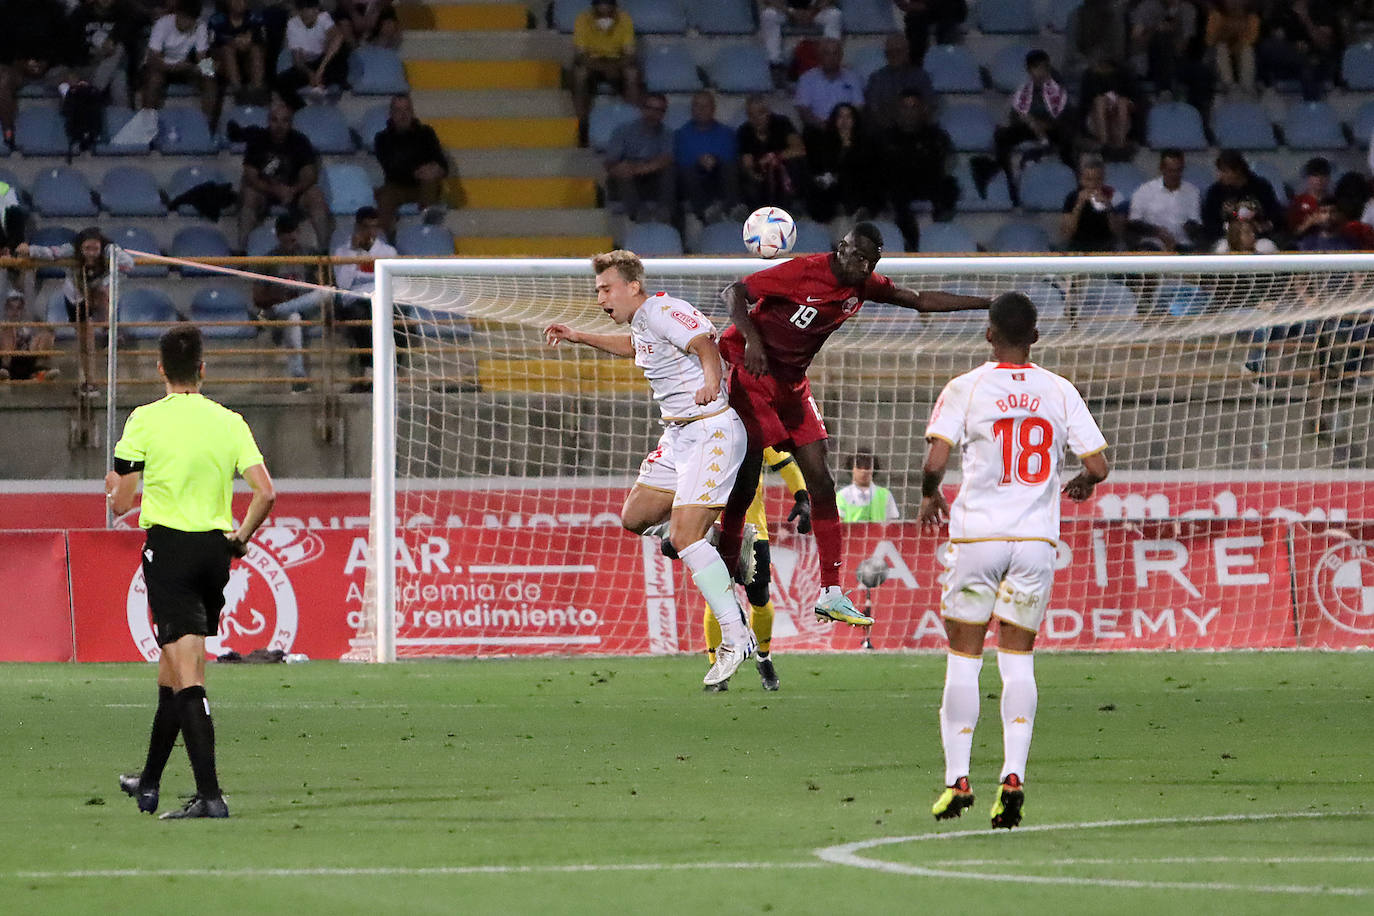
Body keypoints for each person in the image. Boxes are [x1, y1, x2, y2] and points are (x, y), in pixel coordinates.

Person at [715, 222, 989, 628]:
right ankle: (726, 552)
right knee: (750, 465)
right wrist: (753, 340)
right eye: (847, 250)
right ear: (839, 247)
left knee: (823, 483)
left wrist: (989, 302)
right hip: (751, 368)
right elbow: (734, 293)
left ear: (872, 262)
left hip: (792, 383)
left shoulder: (864, 285)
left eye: (863, 258)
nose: (852, 260)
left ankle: (830, 593)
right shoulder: (803, 270)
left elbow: (919, 300)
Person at [919, 291, 1109, 829]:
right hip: (1034, 543)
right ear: (1037, 337)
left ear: (987, 334)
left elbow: (936, 458)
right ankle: (1014, 774)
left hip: (979, 539)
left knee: (964, 657)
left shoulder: (966, 387)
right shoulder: (1059, 389)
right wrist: (1077, 483)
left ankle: (958, 779)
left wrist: (930, 493)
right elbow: (1097, 466)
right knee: (1018, 657)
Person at [545, 249, 757, 687]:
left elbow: (704, 344)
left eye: (606, 288)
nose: (600, 297)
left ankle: (736, 637)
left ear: (633, 286)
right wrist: (580, 336)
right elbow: (635, 348)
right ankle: (720, 540)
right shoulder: (643, 323)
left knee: (682, 536)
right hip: (678, 435)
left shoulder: (664, 309)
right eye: (598, 289)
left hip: (710, 430)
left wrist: (712, 382)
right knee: (635, 518)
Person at [109, 325, 274, 819]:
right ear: (203, 369)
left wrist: (112, 488)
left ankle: (210, 795)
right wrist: (240, 539)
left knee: (189, 676)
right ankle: (150, 781)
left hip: (171, 552)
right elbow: (265, 493)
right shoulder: (230, 421)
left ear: (160, 369)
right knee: (171, 672)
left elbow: (120, 501)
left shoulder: (143, 420)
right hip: (214, 553)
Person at [696, 446, 809, 693]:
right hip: (714, 529)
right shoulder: (705, 431)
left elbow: (785, 462)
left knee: (759, 599)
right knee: (715, 601)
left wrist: (802, 496)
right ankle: (717, 667)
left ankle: (764, 658)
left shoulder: (753, 429)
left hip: (753, 532)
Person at [18, 227, 133, 396]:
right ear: (80, 248)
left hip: (99, 291)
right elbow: (52, 253)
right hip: (77, 296)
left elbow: (129, 264)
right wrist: (30, 250)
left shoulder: (110, 251)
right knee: (86, 340)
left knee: (105, 294)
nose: (91, 254)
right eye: (87, 249)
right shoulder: (70, 249)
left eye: (95, 249)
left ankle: (110, 329)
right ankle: (90, 382)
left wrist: (108, 272)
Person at [237, 99, 331, 251]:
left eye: (284, 121)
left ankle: (324, 252)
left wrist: (292, 190)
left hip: (293, 192)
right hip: (264, 192)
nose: (279, 126)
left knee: (316, 195)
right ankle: (241, 252)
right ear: (268, 121)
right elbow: (250, 176)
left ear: (291, 123)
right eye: (275, 120)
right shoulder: (257, 141)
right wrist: (274, 190)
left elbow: (310, 174)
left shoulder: (300, 141)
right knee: (249, 194)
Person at [877, 91, 957, 251]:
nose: (909, 112)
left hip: (926, 182)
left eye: (914, 107)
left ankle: (938, 233)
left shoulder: (936, 136)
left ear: (922, 110)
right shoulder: (886, 137)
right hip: (898, 186)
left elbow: (942, 165)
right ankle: (910, 242)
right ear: (898, 110)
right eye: (905, 107)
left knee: (949, 186)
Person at [333, 206, 397, 392]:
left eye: (374, 227)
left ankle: (383, 373)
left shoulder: (388, 252)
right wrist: (354, 254)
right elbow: (343, 284)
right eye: (366, 227)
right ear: (358, 227)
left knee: (399, 320)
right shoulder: (342, 251)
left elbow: (393, 285)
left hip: (380, 299)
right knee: (361, 318)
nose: (370, 232)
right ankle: (370, 370)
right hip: (354, 300)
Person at [994, 50, 1073, 199]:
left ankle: (1072, 178)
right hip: (1028, 128)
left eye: (1045, 68)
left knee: (1067, 137)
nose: (1041, 72)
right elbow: (1015, 117)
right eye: (1037, 68)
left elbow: (1063, 118)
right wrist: (1028, 121)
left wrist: (1042, 124)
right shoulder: (1023, 91)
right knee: (1002, 137)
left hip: (1052, 129)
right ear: (1029, 70)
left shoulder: (1058, 89)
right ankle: (1008, 181)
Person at [250, 213, 316, 390]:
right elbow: (257, 297)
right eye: (285, 233)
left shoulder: (310, 255)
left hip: (310, 308)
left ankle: (276, 311)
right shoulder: (268, 260)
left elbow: (324, 285)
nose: (290, 237)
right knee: (293, 318)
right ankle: (298, 378)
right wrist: (276, 296)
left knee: (326, 294)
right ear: (278, 236)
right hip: (285, 315)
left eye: (293, 231)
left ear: (299, 232)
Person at [0, 0, 76, 148]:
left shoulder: (56, 9)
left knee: (71, 85)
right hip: (17, 68)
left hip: (50, 68)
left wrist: (45, 62)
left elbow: (66, 47)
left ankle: (71, 137)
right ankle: (8, 134)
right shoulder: (6, 8)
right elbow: (3, 47)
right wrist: (22, 62)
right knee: (2, 83)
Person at [373, 93, 450, 235]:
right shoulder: (382, 138)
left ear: (412, 112)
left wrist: (437, 169)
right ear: (391, 114)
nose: (403, 115)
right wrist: (418, 171)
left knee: (431, 179)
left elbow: (441, 162)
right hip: (396, 187)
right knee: (385, 196)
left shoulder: (427, 133)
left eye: (406, 110)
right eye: (398, 110)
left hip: (424, 185)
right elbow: (391, 167)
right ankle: (383, 241)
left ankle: (429, 232)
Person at [571, 0, 639, 146]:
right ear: (594, 7)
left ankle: (634, 122)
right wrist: (604, 68)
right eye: (601, 6)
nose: (605, 10)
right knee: (579, 74)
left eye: (608, 6)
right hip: (592, 62)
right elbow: (580, 55)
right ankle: (582, 124)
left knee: (632, 73)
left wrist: (614, 66)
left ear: (614, 7)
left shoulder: (624, 18)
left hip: (616, 61)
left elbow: (630, 54)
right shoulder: (583, 19)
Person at [141, 0, 217, 125]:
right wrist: (174, 67)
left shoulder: (200, 26)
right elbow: (153, 59)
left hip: (183, 68)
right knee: (154, 79)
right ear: (177, 14)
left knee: (210, 80)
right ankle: (146, 125)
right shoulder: (162, 24)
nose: (185, 23)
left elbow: (201, 57)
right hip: (161, 67)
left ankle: (206, 126)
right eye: (183, 18)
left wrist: (210, 71)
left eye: (190, 20)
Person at [603, 93, 675, 223]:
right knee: (622, 171)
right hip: (625, 181)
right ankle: (638, 215)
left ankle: (665, 212)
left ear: (664, 114)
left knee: (670, 170)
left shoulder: (668, 133)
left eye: (658, 110)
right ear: (642, 109)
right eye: (649, 108)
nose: (653, 114)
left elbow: (666, 159)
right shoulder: (623, 130)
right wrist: (623, 168)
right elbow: (609, 163)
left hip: (651, 180)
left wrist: (638, 168)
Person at [804, 102, 877, 227]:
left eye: (848, 117)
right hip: (832, 189)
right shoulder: (824, 143)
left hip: (858, 188)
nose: (844, 121)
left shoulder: (866, 144)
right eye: (840, 117)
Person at [673, 91, 739, 227]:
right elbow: (681, 160)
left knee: (729, 167)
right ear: (692, 110)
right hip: (694, 180)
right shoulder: (681, 134)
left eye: (706, 106)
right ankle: (706, 212)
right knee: (686, 171)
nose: (701, 110)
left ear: (713, 109)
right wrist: (700, 161)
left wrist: (714, 159)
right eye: (697, 106)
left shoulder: (727, 133)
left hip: (719, 176)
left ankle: (732, 209)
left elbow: (731, 156)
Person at [274, 0, 350, 110]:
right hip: (309, 64)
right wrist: (310, 74)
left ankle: (326, 88)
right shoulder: (293, 24)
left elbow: (338, 38)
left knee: (341, 52)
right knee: (281, 82)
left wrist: (320, 70)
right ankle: (302, 110)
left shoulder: (324, 17)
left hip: (326, 62)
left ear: (316, 10)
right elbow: (297, 60)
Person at [737, 93, 807, 211]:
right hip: (761, 175)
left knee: (795, 163)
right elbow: (747, 162)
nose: (756, 119)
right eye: (751, 115)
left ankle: (791, 206)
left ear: (768, 112)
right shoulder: (744, 131)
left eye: (760, 113)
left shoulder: (782, 123)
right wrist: (752, 174)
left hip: (784, 173)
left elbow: (799, 149)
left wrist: (774, 157)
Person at [1201, 149, 1281, 245]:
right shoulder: (1215, 192)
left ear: (1238, 171)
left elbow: (1275, 215)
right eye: (1219, 171)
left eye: (1225, 171)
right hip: (1225, 240)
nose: (1220, 176)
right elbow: (1209, 222)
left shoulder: (1261, 187)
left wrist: (1263, 226)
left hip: (1259, 238)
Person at [1127, 148, 1202, 252]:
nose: (1175, 175)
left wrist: (1188, 227)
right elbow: (1134, 223)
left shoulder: (1192, 191)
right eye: (1171, 170)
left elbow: (1195, 221)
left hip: (1182, 244)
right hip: (1152, 243)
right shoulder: (1144, 191)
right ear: (1162, 168)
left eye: (1178, 170)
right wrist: (1157, 232)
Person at [862, 33, 934, 136]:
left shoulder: (921, 77)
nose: (894, 55)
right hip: (884, 135)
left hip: (916, 134)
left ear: (907, 52)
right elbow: (873, 109)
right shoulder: (877, 78)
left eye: (898, 51)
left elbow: (928, 106)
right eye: (890, 52)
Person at [793, 37, 863, 136]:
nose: (831, 58)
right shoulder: (806, 79)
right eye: (827, 53)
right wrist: (823, 126)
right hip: (817, 130)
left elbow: (858, 107)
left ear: (841, 56)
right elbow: (803, 110)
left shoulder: (853, 78)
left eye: (835, 53)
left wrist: (843, 125)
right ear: (820, 56)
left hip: (846, 129)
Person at [760, 1, 842, 80]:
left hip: (815, 11)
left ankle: (831, 59)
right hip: (786, 12)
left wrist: (812, 12)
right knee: (768, 15)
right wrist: (790, 12)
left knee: (834, 15)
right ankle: (775, 64)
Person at [209, 0, 269, 105]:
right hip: (223, 65)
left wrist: (248, 42)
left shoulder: (255, 17)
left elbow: (263, 41)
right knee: (227, 50)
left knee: (255, 49)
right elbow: (212, 48)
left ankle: (258, 92)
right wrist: (234, 42)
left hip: (248, 65)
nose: (239, 2)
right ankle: (239, 93)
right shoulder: (216, 19)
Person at [1061, 153, 1125, 252]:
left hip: (1106, 245)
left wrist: (1108, 207)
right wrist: (1079, 205)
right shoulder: (1072, 197)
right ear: (1080, 180)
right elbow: (1067, 234)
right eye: (1088, 180)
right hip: (1078, 245)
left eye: (1098, 180)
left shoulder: (1113, 195)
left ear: (1103, 179)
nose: (1093, 184)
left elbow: (1118, 232)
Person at [0, 290, 59, 382]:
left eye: (18, 308)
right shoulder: (3, 326)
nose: (15, 312)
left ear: (22, 310)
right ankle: (4, 372)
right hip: (9, 364)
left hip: (27, 361)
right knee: (7, 330)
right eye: (11, 308)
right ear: (6, 309)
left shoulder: (28, 326)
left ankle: (40, 372)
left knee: (46, 333)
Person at [1206, 0, 1259, 95]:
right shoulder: (1216, 16)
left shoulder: (1252, 18)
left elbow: (1251, 40)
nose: (1235, 2)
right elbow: (1209, 41)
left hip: (1240, 53)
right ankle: (1228, 86)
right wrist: (1226, 32)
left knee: (1247, 50)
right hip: (1216, 57)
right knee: (1221, 48)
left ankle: (1247, 86)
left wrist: (1237, 33)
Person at [894, 0, 967, 66]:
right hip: (923, 10)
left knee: (947, 24)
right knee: (915, 22)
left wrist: (924, 5)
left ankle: (946, 60)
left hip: (950, 8)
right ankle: (917, 63)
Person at [837, 449, 897, 522]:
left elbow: (893, 524)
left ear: (873, 469)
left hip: (878, 533)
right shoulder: (842, 495)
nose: (863, 471)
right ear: (852, 469)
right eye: (859, 467)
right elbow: (839, 524)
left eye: (867, 467)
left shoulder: (885, 495)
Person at [1288, 157, 1332, 241]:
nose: (1319, 179)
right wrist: (1309, 223)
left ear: (1328, 178)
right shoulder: (1298, 201)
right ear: (1308, 178)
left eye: (1323, 175)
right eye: (1315, 175)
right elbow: (1292, 234)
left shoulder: (1334, 201)